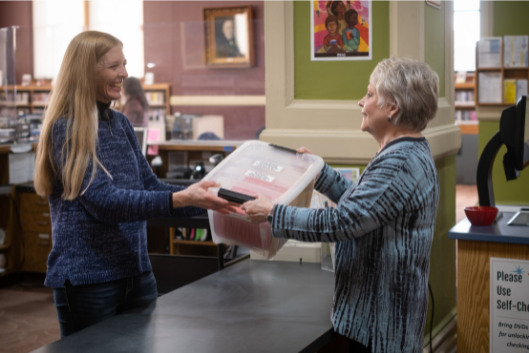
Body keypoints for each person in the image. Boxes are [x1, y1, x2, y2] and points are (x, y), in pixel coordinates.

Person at [34, 31, 236, 338]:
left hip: (137, 276)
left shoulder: (121, 123)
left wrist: (205, 196)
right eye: (114, 65)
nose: (124, 74)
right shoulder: (67, 128)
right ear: (87, 70)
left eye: (124, 64)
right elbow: (104, 202)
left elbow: (149, 186)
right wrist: (180, 199)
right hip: (90, 282)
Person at [241, 57, 440, 353]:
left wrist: (273, 212)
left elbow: (344, 222)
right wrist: (319, 172)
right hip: (383, 318)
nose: (362, 102)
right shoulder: (405, 153)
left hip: (381, 326)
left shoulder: (398, 163)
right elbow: (367, 207)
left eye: (370, 94)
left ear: (393, 108)